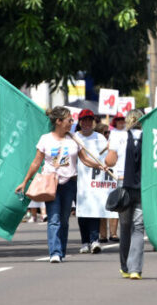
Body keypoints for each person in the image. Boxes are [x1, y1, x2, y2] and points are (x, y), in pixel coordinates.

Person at [15, 107, 105, 263]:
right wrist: (24, 182)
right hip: (51, 183)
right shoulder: (45, 139)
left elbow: (84, 159)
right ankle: (55, 252)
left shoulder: (75, 139)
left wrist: (99, 165)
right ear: (58, 121)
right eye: (69, 120)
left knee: (64, 220)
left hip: (70, 184)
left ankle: (61, 250)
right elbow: (36, 162)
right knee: (54, 219)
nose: (72, 123)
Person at [105, 110, 144, 279]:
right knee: (138, 228)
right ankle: (135, 268)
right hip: (142, 184)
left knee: (125, 227)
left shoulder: (116, 136)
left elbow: (110, 161)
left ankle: (125, 266)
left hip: (123, 184)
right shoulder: (148, 135)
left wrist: (109, 155)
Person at [74, 109, 109, 254]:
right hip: (78, 181)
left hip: (95, 179)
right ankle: (85, 241)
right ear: (80, 122)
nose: (87, 123)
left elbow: (107, 157)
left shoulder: (100, 138)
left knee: (94, 209)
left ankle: (95, 240)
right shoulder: (74, 137)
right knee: (82, 212)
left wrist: (106, 164)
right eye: (84, 120)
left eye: (90, 120)